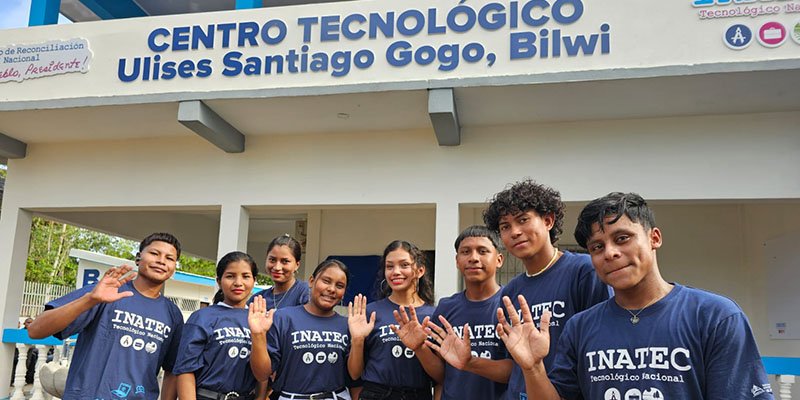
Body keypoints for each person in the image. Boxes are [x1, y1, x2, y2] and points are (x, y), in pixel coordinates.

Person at [497, 192, 774, 399]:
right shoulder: (580, 328)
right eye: (597, 247)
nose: (610, 253)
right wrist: (533, 368)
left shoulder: (715, 316)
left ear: (654, 238)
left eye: (622, 239)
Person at [482, 179, 610, 399]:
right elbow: (513, 364)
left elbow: (601, 349)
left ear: (548, 220)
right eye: (505, 227)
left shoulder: (584, 272)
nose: (514, 232)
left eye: (523, 220)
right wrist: (470, 363)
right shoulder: (511, 291)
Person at [27, 232, 185, 400]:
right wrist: (90, 299)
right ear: (138, 258)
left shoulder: (173, 314)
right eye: (154, 253)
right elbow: (35, 331)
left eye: (169, 258)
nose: (161, 261)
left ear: (174, 266)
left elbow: (171, 370)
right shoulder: (104, 292)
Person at [421, 226, 509, 399]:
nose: (474, 258)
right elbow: (440, 375)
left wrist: (470, 363)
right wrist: (419, 348)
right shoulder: (446, 307)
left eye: (483, 251)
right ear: (457, 260)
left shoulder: (510, 304)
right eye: (466, 252)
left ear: (499, 259)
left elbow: (518, 370)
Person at [249, 259, 355, 400]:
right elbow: (262, 374)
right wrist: (258, 335)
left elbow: (355, 376)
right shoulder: (283, 318)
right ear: (311, 281)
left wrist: (358, 339)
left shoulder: (346, 325)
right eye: (326, 281)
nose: (331, 289)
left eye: (339, 285)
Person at [348, 240, 436, 399]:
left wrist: (420, 347)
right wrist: (357, 340)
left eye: (404, 265)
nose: (396, 272)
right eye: (389, 266)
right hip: (376, 394)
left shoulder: (433, 315)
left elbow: (440, 377)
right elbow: (354, 374)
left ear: (420, 270)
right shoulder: (370, 312)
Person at [174, 251, 259, 400]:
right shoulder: (202, 317)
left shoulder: (259, 319)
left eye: (245, 276)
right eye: (230, 276)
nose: (238, 282)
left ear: (254, 280)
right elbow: (185, 370)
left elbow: (264, 374)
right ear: (219, 281)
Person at [249, 235, 309, 309]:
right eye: (272, 260)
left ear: (297, 265)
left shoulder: (306, 293)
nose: (277, 267)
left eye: (285, 261)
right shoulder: (257, 300)